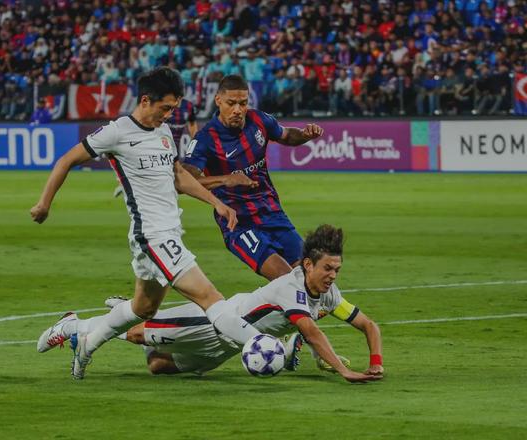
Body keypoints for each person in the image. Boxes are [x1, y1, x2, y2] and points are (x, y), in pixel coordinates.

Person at [32, 67, 261, 380]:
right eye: (164, 108)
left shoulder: (163, 131)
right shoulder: (117, 132)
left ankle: (78, 331)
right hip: (152, 237)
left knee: (143, 310)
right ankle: (263, 345)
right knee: (210, 298)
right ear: (145, 101)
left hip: (168, 233)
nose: (168, 115)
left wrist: (216, 202)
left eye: (173, 109)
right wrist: (44, 203)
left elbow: (178, 176)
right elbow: (66, 160)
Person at [105, 224, 383, 383]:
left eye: (337, 270)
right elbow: (311, 332)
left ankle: (143, 318)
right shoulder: (292, 287)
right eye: (327, 269)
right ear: (308, 265)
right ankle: (118, 316)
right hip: (216, 322)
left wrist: (376, 363)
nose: (332, 275)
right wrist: (345, 371)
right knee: (136, 334)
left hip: (228, 348)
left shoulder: (330, 294)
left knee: (157, 365)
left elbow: (368, 325)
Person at [182, 74, 324, 281]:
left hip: (273, 213)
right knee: (287, 280)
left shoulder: (258, 120)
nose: (238, 110)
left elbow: (286, 135)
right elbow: (183, 181)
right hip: (239, 223)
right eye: (231, 103)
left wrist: (304, 135)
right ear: (218, 100)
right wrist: (225, 179)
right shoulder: (205, 139)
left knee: (311, 276)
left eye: (243, 103)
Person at [113, 96, 197, 197]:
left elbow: (192, 124)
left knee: (173, 172)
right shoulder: (163, 105)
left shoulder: (188, 106)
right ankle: (126, 184)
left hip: (174, 145)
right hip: (159, 143)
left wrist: (195, 140)